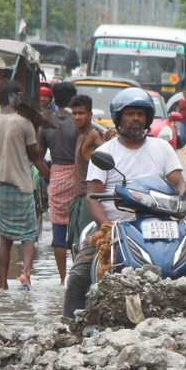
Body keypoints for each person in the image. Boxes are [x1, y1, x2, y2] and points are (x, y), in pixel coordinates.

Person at [0, 80, 51, 291]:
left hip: (1, 188)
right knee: (28, 235)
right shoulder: (24, 124)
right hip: (22, 187)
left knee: (5, 238)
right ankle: (26, 274)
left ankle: (2, 285)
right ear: (17, 99)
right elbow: (35, 155)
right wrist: (37, 126)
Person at [86, 88, 186, 228]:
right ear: (118, 118)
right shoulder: (105, 151)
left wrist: (183, 204)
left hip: (158, 227)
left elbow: (179, 184)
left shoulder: (162, 147)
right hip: (118, 230)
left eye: (140, 114)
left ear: (147, 118)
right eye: (130, 114)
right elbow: (92, 197)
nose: (136, 118)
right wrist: (107, 228)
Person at [39, 80, 78, 282]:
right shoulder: (80, 123)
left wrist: (50, 175)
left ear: (54, 99)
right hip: (78, 179)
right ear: (74, 99)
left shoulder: (47, 123)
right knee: (78, 233)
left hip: (56, 178)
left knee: (59, 234)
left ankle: (63, 279)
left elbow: (36, 157)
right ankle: (77, 277)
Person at [68, 93, 103, 253]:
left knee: (86, 246)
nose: (77, 117)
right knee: (77, 244)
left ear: (90, 115)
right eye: (74, 113)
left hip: (88, 199)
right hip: (80, 197)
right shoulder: (81, 134)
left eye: (81, 113)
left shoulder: (93, 134)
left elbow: (107, 156)